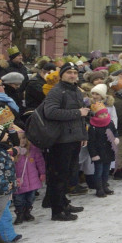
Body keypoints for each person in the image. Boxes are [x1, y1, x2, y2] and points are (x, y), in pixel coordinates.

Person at [41, 63, 89, 221]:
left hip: (74, 137)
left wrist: (83, 135)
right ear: (61, 74)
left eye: (75, 72)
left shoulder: (75, 90)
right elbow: (50, 112)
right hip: (61, 140)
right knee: (59, 176)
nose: (73, 75)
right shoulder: (56, 91)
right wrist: (77, 112)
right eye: (69, 72)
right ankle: (57, 210)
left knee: (68, 173)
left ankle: (64, 203)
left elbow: (81, 117)